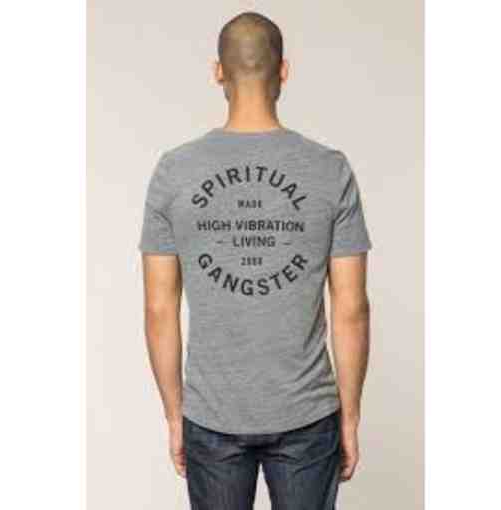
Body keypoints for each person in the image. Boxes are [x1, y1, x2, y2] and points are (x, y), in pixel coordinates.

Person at [139, 11, 371, 510]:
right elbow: (351, 308)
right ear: (283, 71)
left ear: (217, 72)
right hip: (309, 414)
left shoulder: (174, 171)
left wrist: (175, 415)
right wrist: (349, 418)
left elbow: (159, 308)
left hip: (212, 415)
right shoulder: (329, 170)